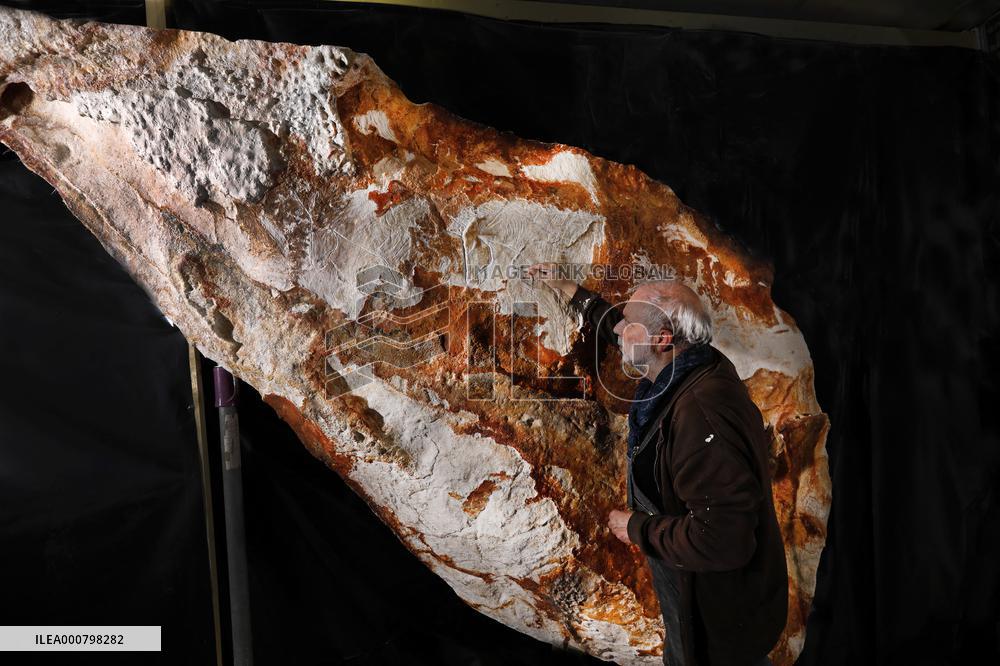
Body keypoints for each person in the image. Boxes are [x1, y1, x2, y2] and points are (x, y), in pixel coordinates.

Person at [526, 263, 787, 666]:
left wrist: (637, 528)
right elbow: (621, 326)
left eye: (628, 324)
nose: (617, 331)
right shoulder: (688, 366)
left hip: (719, 631)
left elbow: (725, 538)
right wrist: (569, 289)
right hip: (691, 609)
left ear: (663, 338)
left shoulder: (701, 413)